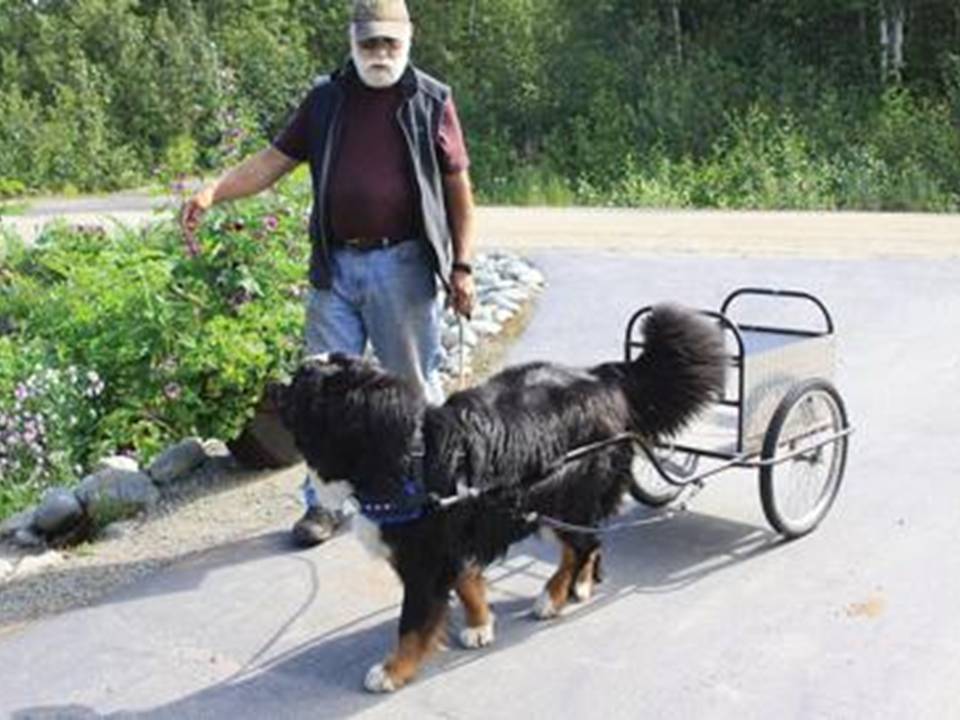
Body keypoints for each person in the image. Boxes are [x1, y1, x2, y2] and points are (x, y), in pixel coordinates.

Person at [180, 0, 476, 547]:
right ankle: (324, 505)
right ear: (352, 41)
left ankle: (428, 488)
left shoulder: (431, 99)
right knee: (322, 394)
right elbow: (273, 161)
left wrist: (462, 265)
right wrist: (214, 190)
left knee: (411, 389)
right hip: (334, 265)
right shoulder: (326, 99)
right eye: (370, 44)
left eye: (390, 43)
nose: (380, 54)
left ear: (407, 39)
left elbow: (458, 184)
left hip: (404, 266)